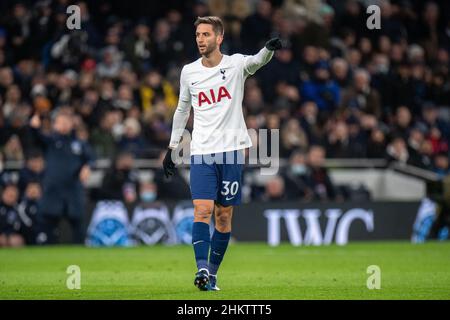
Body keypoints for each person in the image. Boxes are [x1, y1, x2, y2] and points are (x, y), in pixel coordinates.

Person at [162, 16, 281, 291]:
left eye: (205, 34)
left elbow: (256, 61)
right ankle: (201, 269)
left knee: (223, 216)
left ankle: (213, 274)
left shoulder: (235, 64)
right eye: (197, 35)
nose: (200, 39)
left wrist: (269, 49)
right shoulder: (189, 72)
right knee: (202, 210)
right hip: (202, 151)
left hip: (230, 153)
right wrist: (171, 148)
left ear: (219, 38)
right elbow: (182, 110)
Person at [29, 109, 94, 244]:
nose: (64, 124)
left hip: (73, 189)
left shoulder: (79, 143)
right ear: (55, 125)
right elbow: (37, 138)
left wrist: (87, 167)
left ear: (72, 124)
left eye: (67, 121)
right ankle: (47, 252)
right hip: (53, 189)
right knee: (47, 224)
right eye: (60, 122)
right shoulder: (50, 141)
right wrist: (34, 127)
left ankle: (80, 254)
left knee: (78, 225)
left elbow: (91, 158)